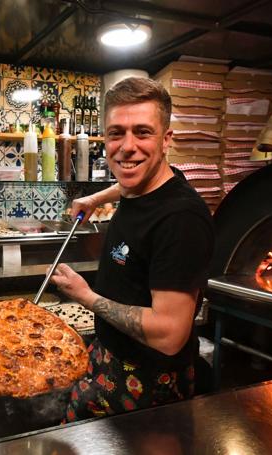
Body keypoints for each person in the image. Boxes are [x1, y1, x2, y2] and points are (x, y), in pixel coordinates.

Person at [50, 77, 214, 422]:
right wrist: (96, 197)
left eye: (142, 132)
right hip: (106, 357)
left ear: (166, 139)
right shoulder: (143, 184)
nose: (127, 147)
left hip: (149, 384)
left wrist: (85, 296)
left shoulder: (181, 220)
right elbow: (131, 177)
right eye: (115, 133)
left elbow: (169, 335)